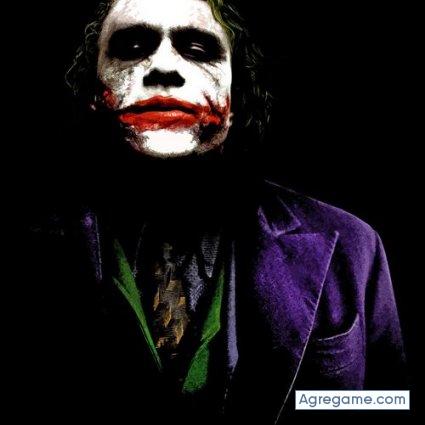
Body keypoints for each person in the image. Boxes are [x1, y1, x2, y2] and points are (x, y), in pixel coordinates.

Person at [24, 0, 406, 423]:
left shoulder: (352, 247)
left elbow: (387, 401)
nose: (163, 67)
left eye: (197, 49)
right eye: (132, 48)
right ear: (94, 93)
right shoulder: (32, 244)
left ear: (236, 93)